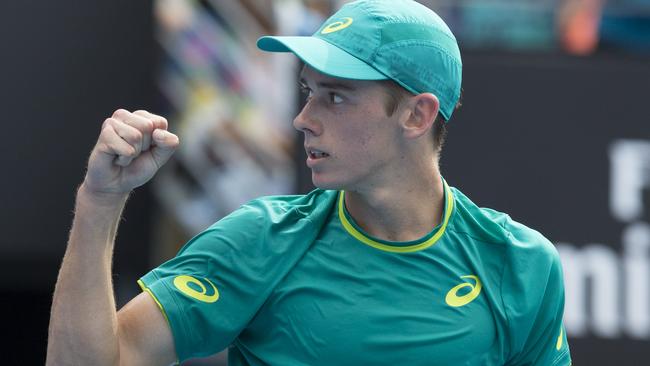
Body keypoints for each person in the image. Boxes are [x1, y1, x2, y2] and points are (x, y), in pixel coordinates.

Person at [46, 0, 572, 365]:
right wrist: (100, 201)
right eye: (307, 90)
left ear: (416, 116)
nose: (303, 118)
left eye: (335, 96)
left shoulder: (520, 263)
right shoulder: (259, 239)